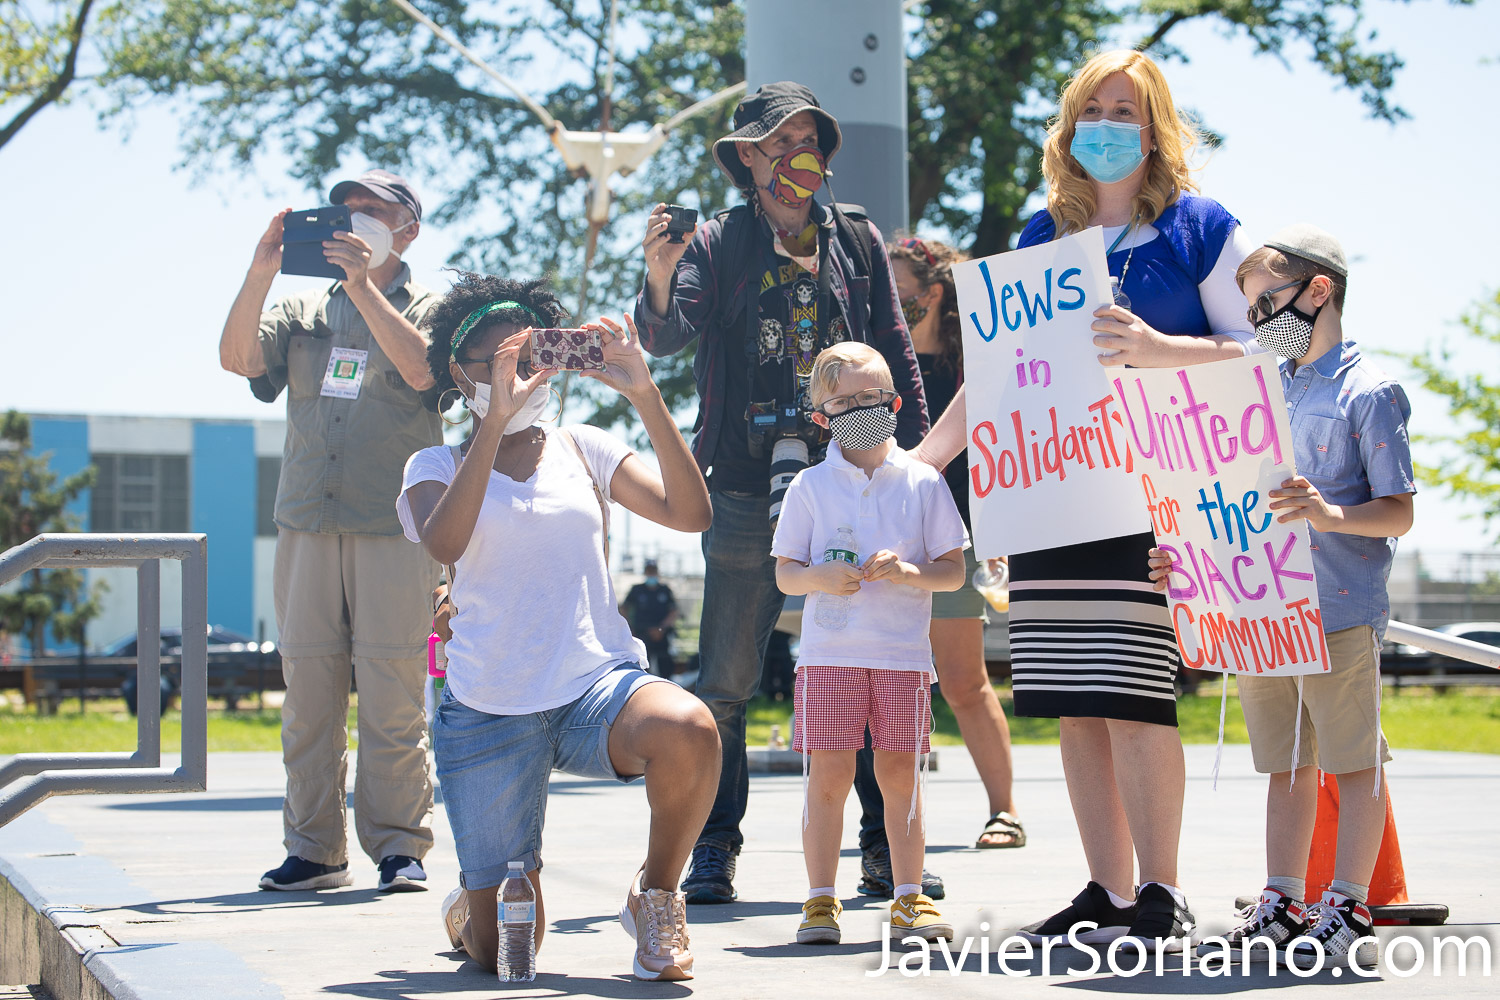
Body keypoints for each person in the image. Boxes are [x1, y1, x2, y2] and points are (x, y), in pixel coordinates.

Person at [914, 50, 1259, 950]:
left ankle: (1162, 890)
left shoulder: (1202, 230)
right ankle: (1105, 891)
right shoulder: (1039, 239)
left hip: (1157, 503)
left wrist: (1157, 350)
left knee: (1138, 696)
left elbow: (1263, 355)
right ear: (1070, 128)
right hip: (1051, 497)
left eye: (1128, 110)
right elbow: (992, 375)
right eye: (1093, 109)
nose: (1109, 125)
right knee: (1074, 701)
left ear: (1156, 130)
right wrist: (922, 460)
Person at [634, 81, 932, 905]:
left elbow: (894, 350)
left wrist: (913, 462)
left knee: (875, 666)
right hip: (739, 479)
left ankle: (885, 852)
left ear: (823, 156)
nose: (791, 156)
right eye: (773, 143)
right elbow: (664, 335)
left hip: (851, 472)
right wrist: (658, 275)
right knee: (726, 681)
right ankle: (712, 851)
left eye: (805, 139)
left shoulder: (859, 238)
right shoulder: (719, 241)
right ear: (746, 161)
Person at [397, 273, 719, 981]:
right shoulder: (434, 465)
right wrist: (491, 423)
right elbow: (445, 543)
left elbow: (691, 514)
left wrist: (643, 391)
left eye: (533, 356)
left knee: (690, 728)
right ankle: (472, 907)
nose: (520, 376)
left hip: (592, 692)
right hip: (488, 711)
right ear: (460, 373)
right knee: (510, 955)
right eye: (498, 363)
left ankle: (657, 894)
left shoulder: (585, 447)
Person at [1150, 225, 1414, 969]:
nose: (1260, 319)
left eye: (1269, 301)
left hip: (1338, 607)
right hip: (1262, 612)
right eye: (1253, 307)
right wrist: (1190, 558)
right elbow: (1225, 501)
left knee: (1353, 761)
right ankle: (1283, 896)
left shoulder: (1371, 391)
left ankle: (1350, 902)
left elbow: (1398, 509)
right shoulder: (1259, 392)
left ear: (1318, 289)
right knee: (1286, 764)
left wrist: (1330, 516)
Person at [219, 169, 442, 893]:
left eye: (372, 211)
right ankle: (314, 849)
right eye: (345, 209)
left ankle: (399, 847)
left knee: (392, 690)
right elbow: (238, 359)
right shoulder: (301, 303)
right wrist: (261, 270)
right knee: (308, 691)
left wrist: (365, 289)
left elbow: (420, 372)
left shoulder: (434, 305)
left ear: (406, 229)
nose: (353, 220)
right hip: (308, 521)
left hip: (394, 525)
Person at [772, 343, 966, 945]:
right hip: (830, 657)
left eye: (874, 398)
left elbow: (953, 569)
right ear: (822, 416)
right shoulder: (809, 485)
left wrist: (911, 572)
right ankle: (820, 900)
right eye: (846, 401)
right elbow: (785, 573)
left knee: (901, 778)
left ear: (895, 401)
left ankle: (908, 897)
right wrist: (818, 579)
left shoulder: (923, 482)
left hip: (902, 659)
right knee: (826, 779)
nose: (863, 408)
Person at [889, 236, 1025, 850]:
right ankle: (883, 827)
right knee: (881, 678)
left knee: (964, 682)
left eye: (899, 291)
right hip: (885, 540)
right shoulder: (881, 367)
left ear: (932, 293)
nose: (887, 301)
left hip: (955, 541)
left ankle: (1005, 810)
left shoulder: (977, 368)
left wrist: (997, 538)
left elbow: (1000, 458)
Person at [622, 559, 679, 677]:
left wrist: (662, 628)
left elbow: (673, 611)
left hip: (661, 635)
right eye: (649, 571)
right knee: (641, 668)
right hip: (641, 634)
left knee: (665, 667)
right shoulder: (637, 590)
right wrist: (629, 628)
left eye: (653, 571)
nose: (651, 574)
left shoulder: (665, 590)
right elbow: (624, 608)